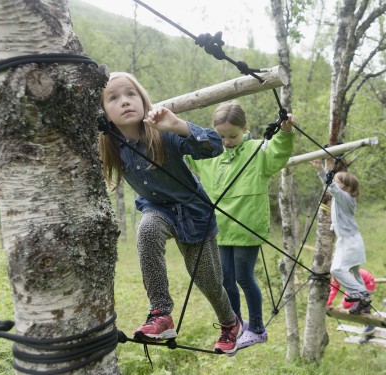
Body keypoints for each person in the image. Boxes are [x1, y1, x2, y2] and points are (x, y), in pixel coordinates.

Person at [98, 72, 241, 356]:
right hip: (156, 209)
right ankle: (161, 314)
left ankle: (230, 322)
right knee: (147, 230)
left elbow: (213, 145)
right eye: (113, 98)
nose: (125, 101)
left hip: (193, 213)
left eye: (130, 94)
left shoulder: (162, 131)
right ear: (103, 112)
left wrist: (178, 125)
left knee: (209, 283)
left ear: (142, 99)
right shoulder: (109, 144)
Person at [186, 102, 297, 349]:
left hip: (247, 226)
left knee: (245, 278)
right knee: (226, 280)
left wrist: (286, 132)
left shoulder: (257, 150)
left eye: (232, 135)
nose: (227, 141)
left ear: (245, 128)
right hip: (221, 228)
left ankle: (257, 328)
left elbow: (277, 152)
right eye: (221, 136)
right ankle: (234, 325)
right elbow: (187, 155)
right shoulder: (212, 154)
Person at [310, 160, 370, 315]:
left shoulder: (346, 198)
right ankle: (364, 303)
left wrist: (321, 170)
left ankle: (360, 293)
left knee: (336, 269)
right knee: (355, 273)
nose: (334, 185)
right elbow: (330, 188)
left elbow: (331, 187)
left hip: (350, 241)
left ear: (347, 187)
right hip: (351, 239)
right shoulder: (341, 198)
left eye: (337, 182)